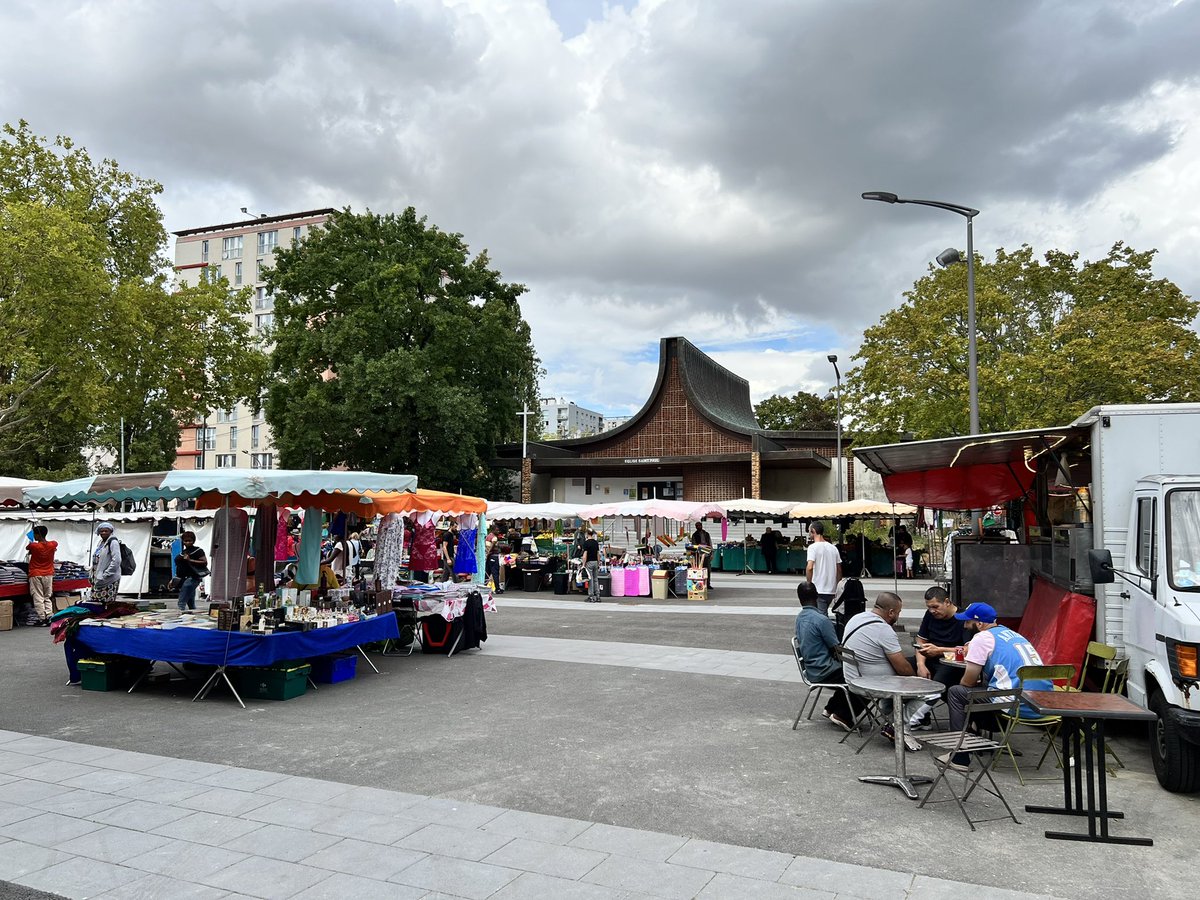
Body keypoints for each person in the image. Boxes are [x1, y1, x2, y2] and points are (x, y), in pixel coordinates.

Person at [940, 602, 1052, 771]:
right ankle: (977, 735)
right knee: (983, 687)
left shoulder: (981, 638)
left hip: (1018, 703)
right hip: (1043, 702)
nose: (964, 626)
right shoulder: (1012, 634)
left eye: (967, 622)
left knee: (957, 692)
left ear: (979, 624)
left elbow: (968, 681)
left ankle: (959, 756)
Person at [842, 592, 916, 746]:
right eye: (898, 612)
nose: (898, 616)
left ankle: (890, 716)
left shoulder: (857, 618)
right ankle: (899, 724)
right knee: (926, 687)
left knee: (911, 664)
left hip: (853, 676)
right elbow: (902, 668)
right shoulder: (883, 630)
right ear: (891, 612)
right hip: (871, 683)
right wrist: (919, 680)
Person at [794, 581, 862, 730]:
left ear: (799, 599)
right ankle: (843, 714)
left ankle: (831, 707)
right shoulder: (822, 620)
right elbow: (837, 649)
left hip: (811, 668)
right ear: (817, 596)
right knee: (860, 676)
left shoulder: (799, 618)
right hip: (824, 669)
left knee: (848, 671)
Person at [905, 586, 966, 730]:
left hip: (951, 662)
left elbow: (966, 651)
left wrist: (940, 651)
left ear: (947, 602)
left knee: (937, 683)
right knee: (903, 667)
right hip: (929, 658)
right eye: (929, 607)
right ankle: (921, 718)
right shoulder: (929, 615)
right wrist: (921, 665)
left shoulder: (962, 618)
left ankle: (908, 721)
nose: (932, 611)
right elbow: (921, 642)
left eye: (935, 607)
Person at [805, 522, 842, 615]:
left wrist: (809, 584)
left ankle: (826, 629)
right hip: (831, 589)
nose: (809, 534)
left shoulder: (812, 548)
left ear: (813, 531)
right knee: (822, 613)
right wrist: (837, 587)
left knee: (821, 616)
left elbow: (810, 567)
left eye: (809, 532)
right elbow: (839, 570)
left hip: (819, 588)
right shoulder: (833, 548)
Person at [26, 525, 57, 626]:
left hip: (35, 573)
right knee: (47, 596)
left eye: (35, 534)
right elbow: (55, 544)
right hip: (48, 574)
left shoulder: (34, 546)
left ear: (38, 535)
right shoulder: (53, 544)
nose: (34, 536)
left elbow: (28, 547)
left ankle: (42, 618)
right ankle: (49, 616)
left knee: (38, 596)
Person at [174, 530, 208, 611]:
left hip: (192, 578)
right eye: (186, 541)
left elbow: (204, 562)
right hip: (183, 578)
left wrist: (190, 560)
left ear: (193, 541)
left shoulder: (198, 550)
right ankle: (193, 619)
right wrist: (174, 579)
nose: (188, 542)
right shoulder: (183, 552)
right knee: (190, 603)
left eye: (190, 540)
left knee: (181, 602)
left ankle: (180, 618)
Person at [91, 522, 122, 604]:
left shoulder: (113, 542)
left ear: (110, 531)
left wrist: (107, 574)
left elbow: (117, 560)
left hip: (109, 578)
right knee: (97, 600)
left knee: (106, 602)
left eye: (106, 531)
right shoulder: (101, 543)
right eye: (101, 531)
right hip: (99, 576)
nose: (103, 533)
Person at [581, 528, 601, 603]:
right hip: (595, 562)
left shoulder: (586, 543)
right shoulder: (596, 543)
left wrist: (583, 564)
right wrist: (598, 562)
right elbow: (598, 554)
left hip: (589, 562)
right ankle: (598, 596)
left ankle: (591, 596)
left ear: (587, 534)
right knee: (596, 579)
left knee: (590, 579)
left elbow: (585, 555)